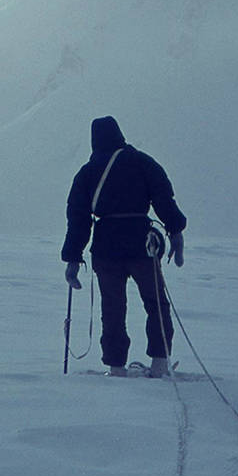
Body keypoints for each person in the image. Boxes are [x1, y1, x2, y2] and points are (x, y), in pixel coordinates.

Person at [61, 116, 187, 377]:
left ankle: (116, 367)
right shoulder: (142, 162)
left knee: (113, 308)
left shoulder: (87, 173)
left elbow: (78, 218)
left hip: (106, 247)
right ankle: (160, 364)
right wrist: (175, 231)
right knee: (155, 303)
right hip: (142, 244)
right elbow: (164, 198)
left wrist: (73, 259)